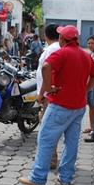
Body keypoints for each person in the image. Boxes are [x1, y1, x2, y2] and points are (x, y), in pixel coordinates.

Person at [19, 25, 94, 185]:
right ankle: (66, 177)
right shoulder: (85, 56)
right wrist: (86, 88)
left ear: (63, 39)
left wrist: (47, 88)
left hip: (61, 105)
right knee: (71, 143)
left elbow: (46, 67)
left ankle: (37, 178)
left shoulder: (62, 53)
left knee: (45, 139)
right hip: (78, 107)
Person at [36, 24, 60, 170]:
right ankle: (51, 159)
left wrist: (42, 94)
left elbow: (47, 72)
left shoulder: (52, 49)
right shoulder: (55, 48)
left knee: (47, 130)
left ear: (46, 35)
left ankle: (50, 161)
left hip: (48, 95)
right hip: (50, 93)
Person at [84, 36, 94, 134]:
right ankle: (91, 126)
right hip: (88, 83)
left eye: (92, 43)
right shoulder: (90, 55)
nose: (90, 45)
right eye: (88, 43)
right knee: (90, 106)